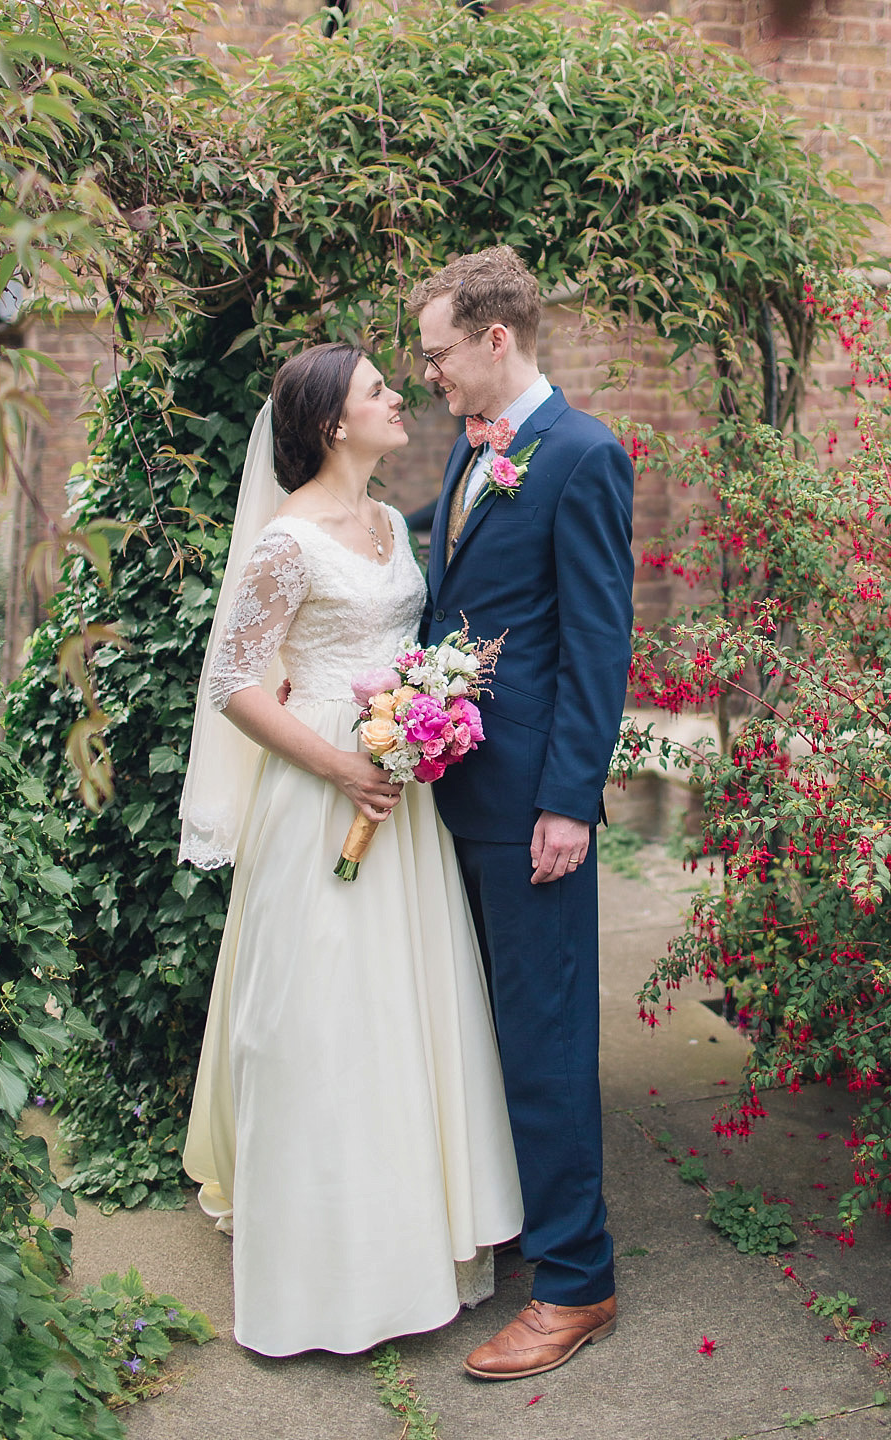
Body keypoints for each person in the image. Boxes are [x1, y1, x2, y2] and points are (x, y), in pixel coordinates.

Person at [177, 342, 522, 1358]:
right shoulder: (287, 541)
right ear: (333, 422)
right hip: (327, 787)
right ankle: (318, 1269)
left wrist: (428, 710)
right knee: (319, 1017)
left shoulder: (383, 521)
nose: (398, 395)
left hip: (398, 792)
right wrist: (337, 765)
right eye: (378, 389)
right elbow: (232, 687)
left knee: (400, 1013)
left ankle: (411, 1242)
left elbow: (405, 644)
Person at [406, 246, 634, 1380]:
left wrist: (570, 804)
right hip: (463, 791)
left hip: (533, 804)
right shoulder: (471, 450)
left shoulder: (586, 455)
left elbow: (598, 641)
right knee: (491, 1031)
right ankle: (523, 1228)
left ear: (496, 339)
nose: (431, 375)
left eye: (442, 353)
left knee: (545, 1038)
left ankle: (577, 1282)